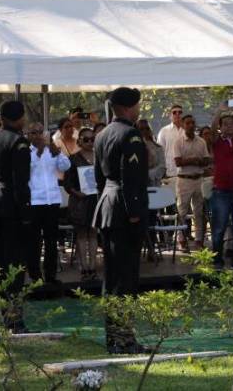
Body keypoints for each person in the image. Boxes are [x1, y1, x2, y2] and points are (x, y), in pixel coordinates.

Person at [93, 87, 149, 354]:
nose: (139, 109)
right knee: (126, 278)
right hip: (125, 211)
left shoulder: (102, 134)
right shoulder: (131, 135)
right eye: (137, 105)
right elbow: (132, 179)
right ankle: (124, 340)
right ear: (129, 107)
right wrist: (136, 213)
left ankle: (113, 337)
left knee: (112, 277)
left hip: (107, 205)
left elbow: (98, 179)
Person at [0, 101, 31, 333]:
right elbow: (21, 182)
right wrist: (26, 213)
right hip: (11, 203)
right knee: (15, 264)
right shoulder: (18, 141)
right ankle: (13, 319)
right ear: (19, 118)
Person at [26, 122, 71, 285]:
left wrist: (58, 153)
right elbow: (26, 170)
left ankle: (51, 275)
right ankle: (35, 276)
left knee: (51, 240)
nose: (38, 135)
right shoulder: (26, 151)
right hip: (35, 201)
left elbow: (66, 166)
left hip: (52, 201)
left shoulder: (51, 150)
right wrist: (37, 152)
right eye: (34, 132)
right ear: (28, 135)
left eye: (40, 132)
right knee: (34, 241)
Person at [208, 112, 233, 269]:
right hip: (221, 190)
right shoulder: (216, 141)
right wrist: (219, 113)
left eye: (232, 123)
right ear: (220, 127)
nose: (229, 126)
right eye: (226, 124)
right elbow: (213, 129)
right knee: (219, 227)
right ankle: (217, 260)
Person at [64, 128, 99, 281]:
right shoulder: (72, 159)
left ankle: (93, 267)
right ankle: (84, 268)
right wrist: (77, 193)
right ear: (79, 141)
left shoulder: (99, 157)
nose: (90, 142)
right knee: (81, 234)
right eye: (86, 139)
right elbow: (67, 184)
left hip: (95, 200)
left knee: (93, 232)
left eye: (93, 139)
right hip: (79, 202)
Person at [173, 115, 211, 250]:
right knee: (182, 211)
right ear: (183, 125)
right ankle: (181, 240)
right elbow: (178, 162)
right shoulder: (178, 141)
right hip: (184, 179)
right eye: (188, 123)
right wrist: (193, 160)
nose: (191, 125)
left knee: (198, 212)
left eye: (193, 123)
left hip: (198, 179)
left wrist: (196, 161)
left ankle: (199, 240)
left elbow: (207, 160)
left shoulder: (201, 141)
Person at [156, 104, 185, 182]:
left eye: (180, 112)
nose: (177, 114)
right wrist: (162, 171)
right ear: (170, 115)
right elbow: (159, 153)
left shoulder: (188, 131)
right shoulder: (164, 131)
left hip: (186, 172)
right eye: (174, 112)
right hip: (170, 172)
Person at [137, 119, 165, 187]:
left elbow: (162, 166)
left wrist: (149, 174)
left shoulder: (158, 147)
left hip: (154, 183)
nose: (145, 131)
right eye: (141, 129)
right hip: (138, 183)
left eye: (147, 128)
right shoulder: (133, 146)